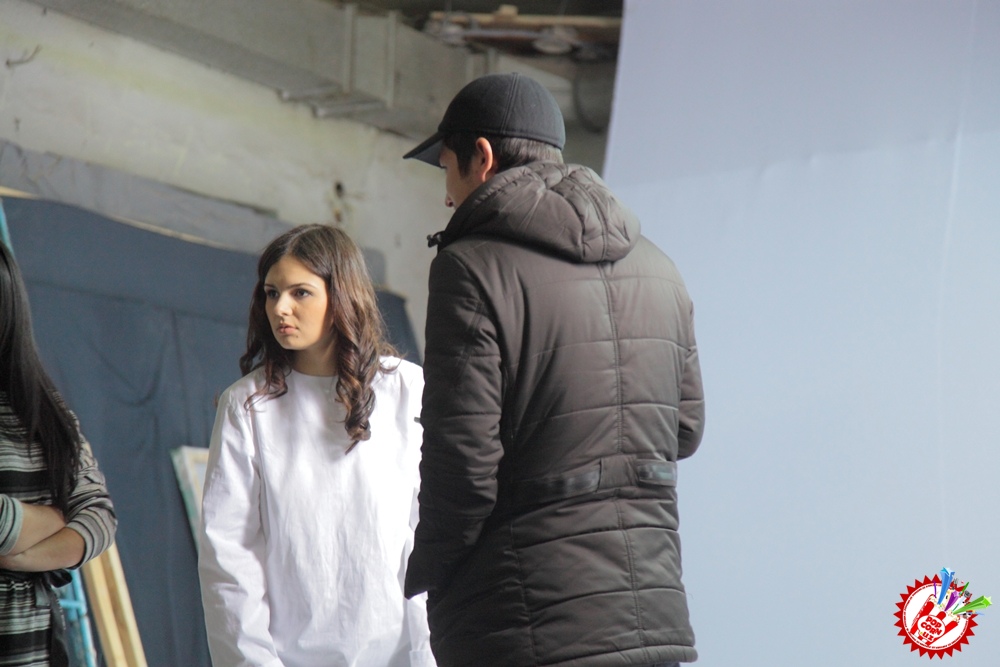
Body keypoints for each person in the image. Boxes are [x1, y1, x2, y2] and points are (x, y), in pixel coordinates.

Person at [402, 73, 706, 667]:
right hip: (651, 614)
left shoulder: (471, 267)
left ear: (482, 157)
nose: (447, 197)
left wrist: (427, 569)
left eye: (447, 169)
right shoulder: (661, 269)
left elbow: (463, 466)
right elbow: (684, 431)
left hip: (523, 620)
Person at [198, 224, 434, 667]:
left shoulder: (407, 389)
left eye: (300, 293)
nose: (280, 308)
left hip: (404, 654)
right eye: (271, 293)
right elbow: (229, 559)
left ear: (341, 295)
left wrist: (427, 655)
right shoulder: (247, 406)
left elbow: (431, 533)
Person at [0, 240, 117, 666]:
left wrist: (20, 556)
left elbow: (99, 516)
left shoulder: (44, 410)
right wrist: (54, 518)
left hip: (36, 650)